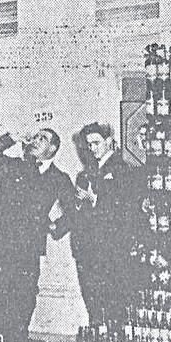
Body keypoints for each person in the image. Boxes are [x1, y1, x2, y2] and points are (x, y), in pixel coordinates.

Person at [0, 128, 73, 342]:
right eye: (35, 137)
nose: (35, 140)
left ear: (53, 149)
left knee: (24, 298)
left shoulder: (59, 178)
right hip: (1, 245)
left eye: (42, 139)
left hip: (28, 248)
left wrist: (56, 228)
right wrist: (10, 139)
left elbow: (74, 211)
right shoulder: (16, 166)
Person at [69, 122, 138, 322]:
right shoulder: (85, 173)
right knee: (93, 304)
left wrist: (94, 200)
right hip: (87, 250)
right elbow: (77, 211)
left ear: (109, 141)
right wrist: (80, 204)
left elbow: (124, 210)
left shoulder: (122, 170)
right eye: (89, 144)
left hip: (111, 251)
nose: (92, 148)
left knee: (113, 304)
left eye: (97, 143)